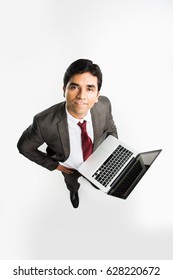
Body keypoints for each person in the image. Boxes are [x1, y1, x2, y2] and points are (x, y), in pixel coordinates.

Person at [17, 59, 118, 208]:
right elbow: (24, 147)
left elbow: (111, 129)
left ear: (97, 95)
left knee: (98, 182)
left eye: (90, 88)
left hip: (97, 162)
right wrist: (55, 166)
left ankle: (95, 182)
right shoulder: (43, 122)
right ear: (64, 89)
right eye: (74, 87)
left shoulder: (104, 105)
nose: (81, 96)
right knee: (72, 183)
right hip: (70, 167)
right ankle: (73, 190)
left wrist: (111, 154)